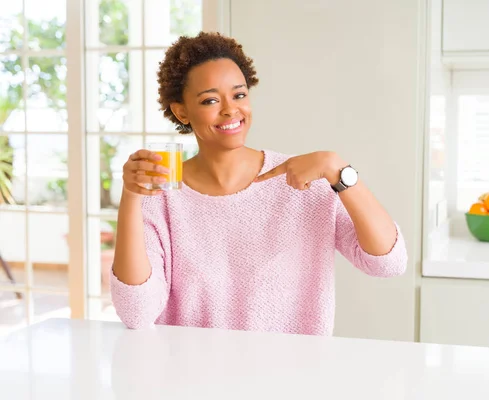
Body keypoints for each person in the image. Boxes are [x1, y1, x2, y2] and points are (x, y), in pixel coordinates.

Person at [111, 32, 408, 336]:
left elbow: (388, 263)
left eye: (239, 95)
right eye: (210, 100)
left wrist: (339, 169)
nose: (230, 110)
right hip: (191, 378)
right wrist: (131, 198)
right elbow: (137, 312)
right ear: (181, 111)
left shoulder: (303, 180)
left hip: (290, 378)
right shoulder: (162, 193)